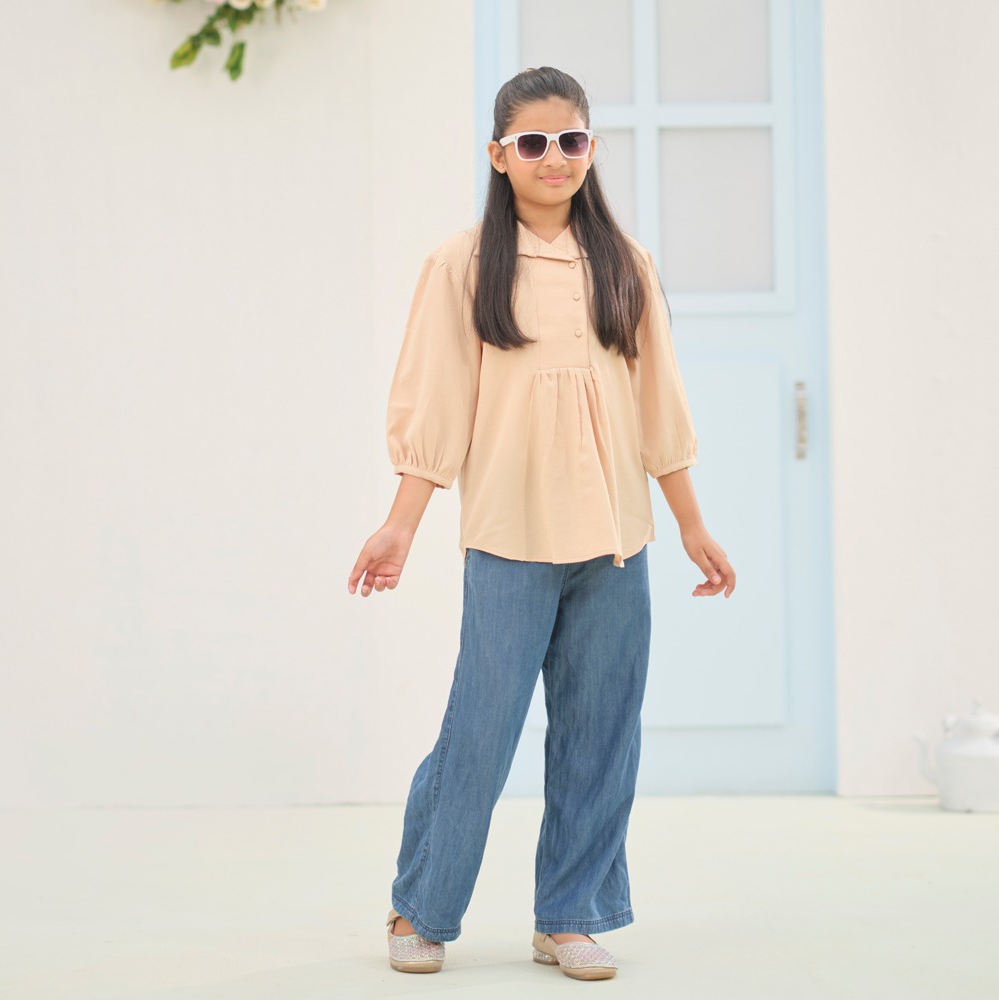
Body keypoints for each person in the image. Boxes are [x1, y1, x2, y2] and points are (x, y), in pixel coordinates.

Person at [347, 65, 736, 982]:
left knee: (602, 730)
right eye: (532, 142)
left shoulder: (625, 263)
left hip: (616, 540)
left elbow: (658, 404)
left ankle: (571, 915)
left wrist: (690, 524)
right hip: (510, 534)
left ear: (590, 148)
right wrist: (401, 525)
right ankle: (421, 906)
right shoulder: (463, 264)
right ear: (499, 155)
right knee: (479, 731)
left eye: (571, 139)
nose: (553, 157)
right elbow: (438, 403)